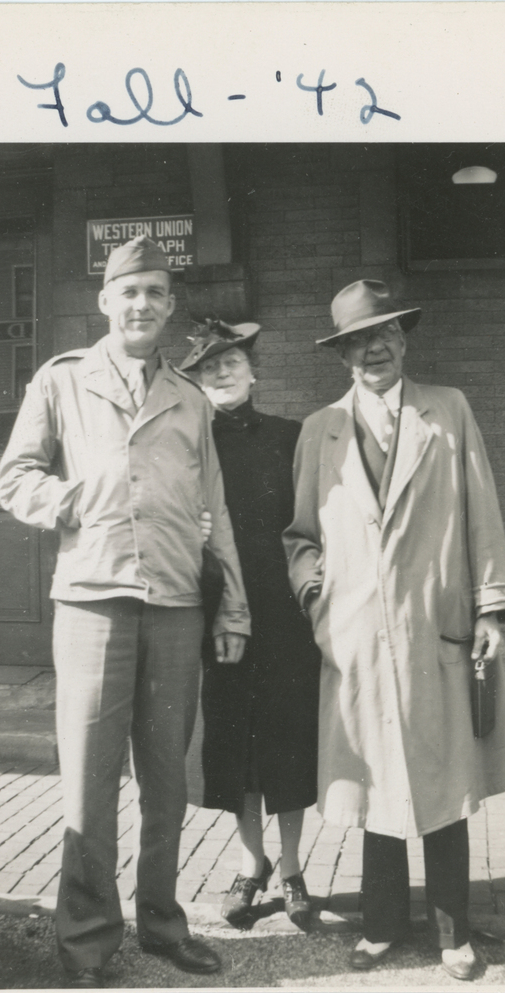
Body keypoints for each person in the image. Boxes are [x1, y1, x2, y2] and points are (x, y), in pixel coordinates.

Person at [0, 236, 250, 986]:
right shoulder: (63, 380)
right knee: (90, 781)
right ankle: (86, 942)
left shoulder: (190, 398)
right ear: (105, 303)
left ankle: (164, 925)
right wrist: (70, 499)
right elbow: (15, 476)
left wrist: (231, 608)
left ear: (169, 309)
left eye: (154, 295)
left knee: (166, 779)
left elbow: (216, 509)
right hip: (93, 602)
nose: (140, 306)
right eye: (127, 293)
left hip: (175, 602)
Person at [283, 280, 505, 981]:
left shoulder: (446, 411)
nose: (373, 348)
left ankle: (455, 936)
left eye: (383, 334)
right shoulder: (319, 430)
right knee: (376, 786)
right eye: (357, 340)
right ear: (342, 356)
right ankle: (383, 927)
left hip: (434, 629)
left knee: (444, 781)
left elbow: (483, 510)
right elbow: (299, 535)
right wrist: (319, 602)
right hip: (356, 636)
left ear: (404, 339)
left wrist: (487, 609)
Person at [179, 320, 321, 931]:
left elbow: (318, 520)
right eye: (209, 366)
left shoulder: (293, 437)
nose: (222, 372)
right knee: (235, 741)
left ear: (253, 370)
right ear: (198, 381)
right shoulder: (191, 445)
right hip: (223, 617)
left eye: (231, 360)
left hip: (286, 615)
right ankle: (250, 862)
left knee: (288, 740)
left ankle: (291, 869)